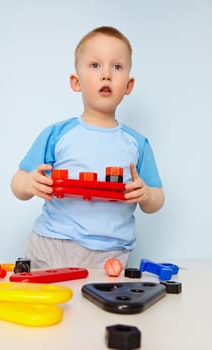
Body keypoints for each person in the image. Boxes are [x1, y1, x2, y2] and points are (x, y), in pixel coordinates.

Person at [11, 26, 165, 269]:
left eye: (117, 67)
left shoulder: (138, 144)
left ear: (128, 85)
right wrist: (29, 182)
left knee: (97, 307)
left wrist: (146, 194)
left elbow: (157, 199)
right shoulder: (57, 134)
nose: (106, 75)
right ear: (76, 82)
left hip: (110, 253)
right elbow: (18, 184)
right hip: (53, 243)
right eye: (95, 65)